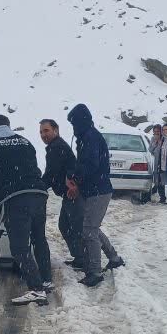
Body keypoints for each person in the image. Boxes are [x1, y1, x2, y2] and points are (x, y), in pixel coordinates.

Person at [0, 114, 52, 306]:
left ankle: (36, 290)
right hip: (38, 193)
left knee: (19, 247)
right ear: (8, 126)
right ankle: (46, 280)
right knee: (39, 238)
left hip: (15, 199)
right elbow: (33, 167)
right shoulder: (25, 142)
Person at [66, 104, 124, 287]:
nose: (73, 128)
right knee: (93, 227)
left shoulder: (90, 138)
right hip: (96, 189)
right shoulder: (87, 136)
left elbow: (90, 164)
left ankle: (95, 271)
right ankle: (114, 258)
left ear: (81, 121)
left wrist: (75, 177)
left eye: (74, 123)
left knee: (89, 230)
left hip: (98, 190)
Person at [39, 119, 83, 263]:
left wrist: (38, 187)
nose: (43, 134)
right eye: (41, 132)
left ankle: (85, 259)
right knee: (65, 225)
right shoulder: (54, 146)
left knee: (76, 228)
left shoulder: (56, 147)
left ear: (55, 130)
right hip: (68, 194)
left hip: (73, 193)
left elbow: (51, 173)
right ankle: (80, 257)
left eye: (46, 130)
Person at [146, 124, 167, 204]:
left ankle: (162, 198)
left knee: (161, 181)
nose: (156, 133)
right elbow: (150, 150)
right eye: (154, 132)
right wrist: (155, 142)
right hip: (156, 162)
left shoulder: (164, 139)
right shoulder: (153, 139)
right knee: (156, 180)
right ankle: (154, 194)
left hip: (162, 162)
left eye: (158, 131)